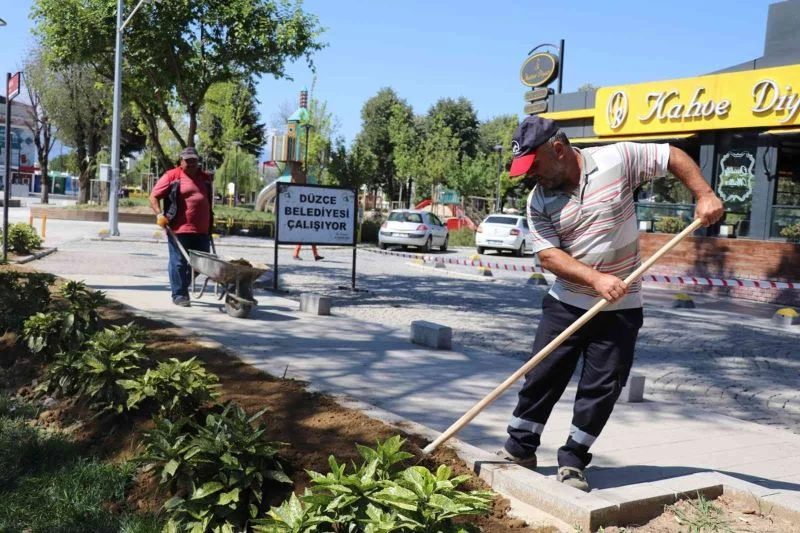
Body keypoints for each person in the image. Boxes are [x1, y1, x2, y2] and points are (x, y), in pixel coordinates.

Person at [498, 116, 723, 492]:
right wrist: (596, 280)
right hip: (566, 303)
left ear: (558, 149)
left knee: (602, 386)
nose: (530, 175)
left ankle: (573, 460)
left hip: (621, 307)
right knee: (541, 376)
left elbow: (671, 155)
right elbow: (550, 258)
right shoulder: (538, 200)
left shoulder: (618, 160)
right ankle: (520, 447)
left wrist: (704, 194)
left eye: (534, 165)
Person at [149, 147, 214, 307]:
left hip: (202, 229)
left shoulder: (205, 178)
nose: (192, 163)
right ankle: (179, 294)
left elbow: (208, 200)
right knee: (178, 262)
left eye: (194, 160)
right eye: (188, 160)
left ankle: (181, 286)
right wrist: (159, 215)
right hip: (179, 228)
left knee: (203, 264)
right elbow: (153, 196)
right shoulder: (172, 176)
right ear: (181, 161)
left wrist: (211, 221)